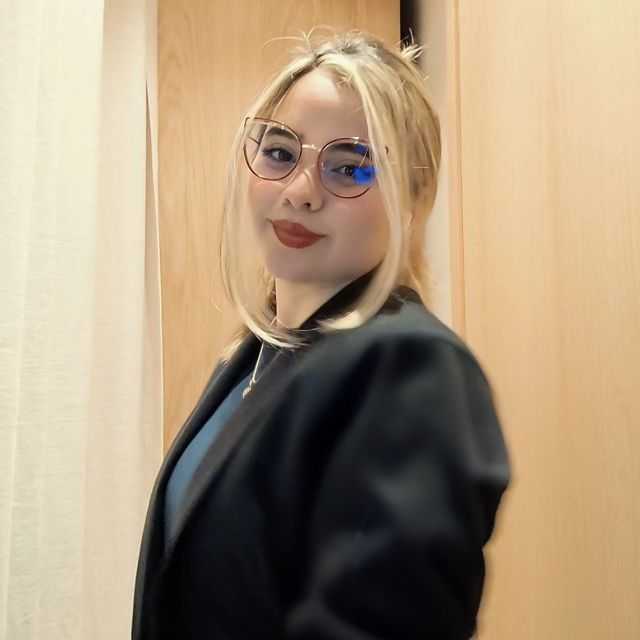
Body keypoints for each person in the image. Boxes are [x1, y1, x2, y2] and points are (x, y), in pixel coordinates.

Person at [132, 27, 511, 640]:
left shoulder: (409, 366)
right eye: (281, 153)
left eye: (350, 167)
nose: (300, 193)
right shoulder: (254, 360)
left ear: (413, 199)